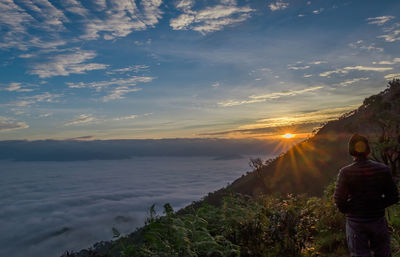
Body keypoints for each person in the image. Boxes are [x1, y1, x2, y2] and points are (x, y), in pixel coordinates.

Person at [334, 133, 399, 257]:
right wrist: (378, 205)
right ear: (368, 150)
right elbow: (394, 196)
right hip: (378, 220)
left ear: (351, 151)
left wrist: (351, 211)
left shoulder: (346, 172)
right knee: (383, 253)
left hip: (355, 222)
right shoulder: (383, 169)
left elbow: (339, 200)